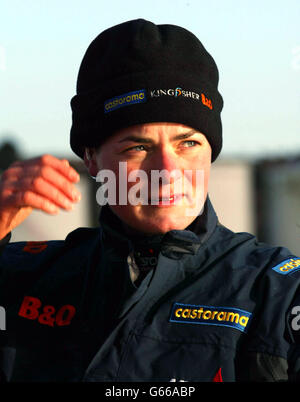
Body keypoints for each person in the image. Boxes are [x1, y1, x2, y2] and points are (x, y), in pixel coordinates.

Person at [0, 18, 299, 383]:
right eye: (139, 147)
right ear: (91, 159)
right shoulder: (26, 279)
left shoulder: (278, 292)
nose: (168, 170)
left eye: (188, 143)